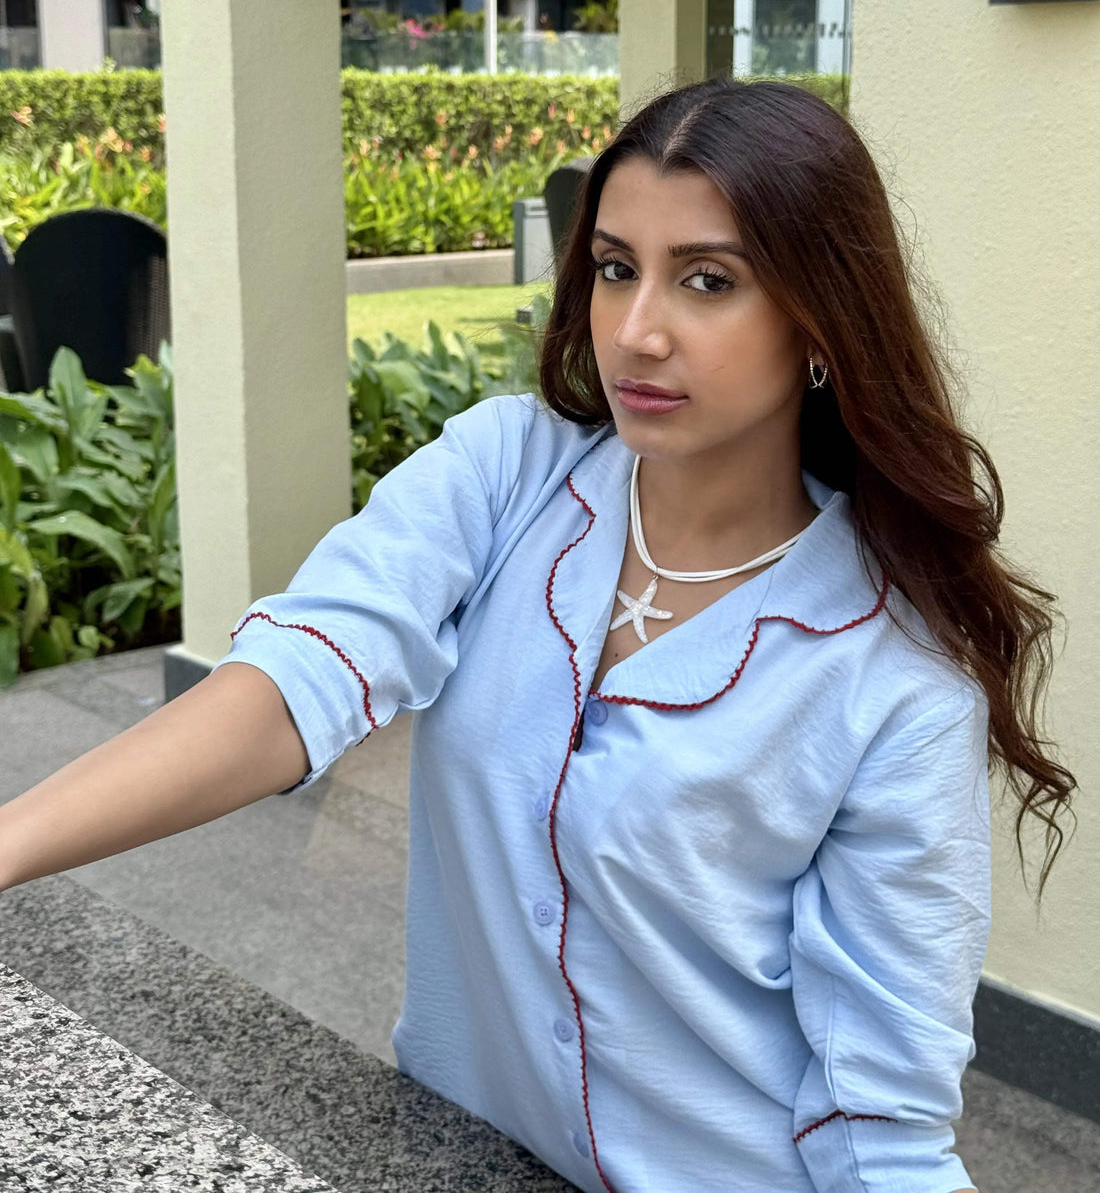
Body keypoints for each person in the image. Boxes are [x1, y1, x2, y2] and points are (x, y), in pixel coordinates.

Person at [0, 77, 1075, 1192]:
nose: (636, 331)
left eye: (707, 280)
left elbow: (879, 1124)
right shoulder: (507, 472)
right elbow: (300, 672)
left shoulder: (892, 679)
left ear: (819, 322)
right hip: (448, 1154)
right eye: (614, 268)